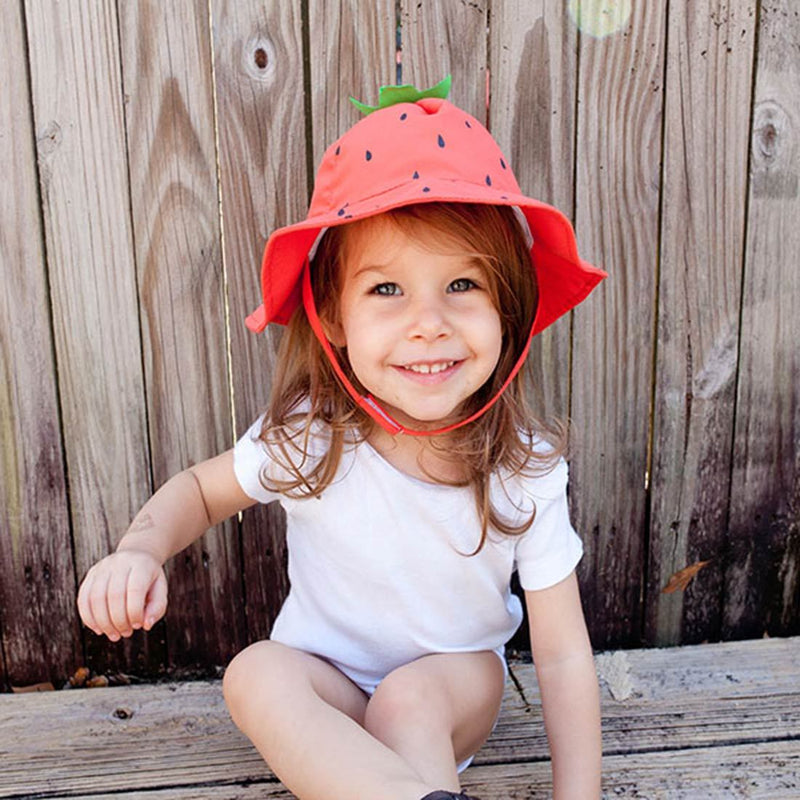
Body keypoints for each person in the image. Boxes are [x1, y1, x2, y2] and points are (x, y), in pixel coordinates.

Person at [77, 77, 606, 800]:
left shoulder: (523, 469)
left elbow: (564, 655)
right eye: (387, 290)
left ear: (509, 308)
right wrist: (139, 547)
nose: (430, 322)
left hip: (452, 690)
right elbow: (200, 491)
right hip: (327, 692)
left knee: (407, 701)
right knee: (254, 673)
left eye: (462, 285)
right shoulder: (312, 438)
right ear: (331, 318)